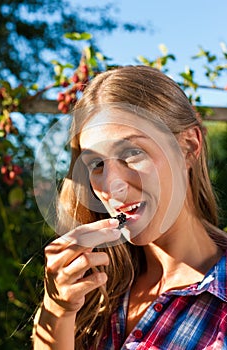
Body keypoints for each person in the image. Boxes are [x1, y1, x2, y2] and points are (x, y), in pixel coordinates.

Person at [33, 66, 227, 350]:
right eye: (96, 164)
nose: (112, 187)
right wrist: (57, 311)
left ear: (189, 146)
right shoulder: (95, 291)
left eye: (132, 153)